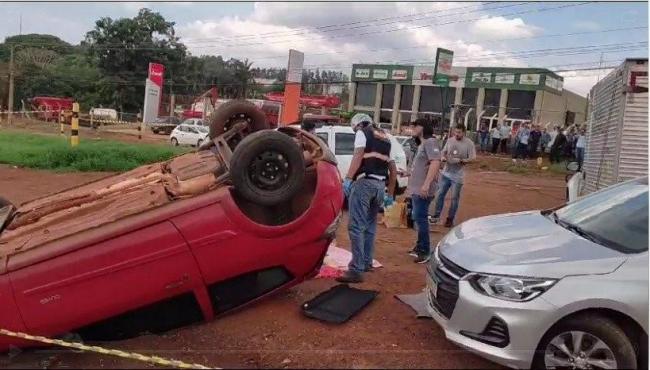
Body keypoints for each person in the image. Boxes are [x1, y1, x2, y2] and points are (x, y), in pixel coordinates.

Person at [338, 113, 397, 283]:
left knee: (356, 226)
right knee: (370, 226)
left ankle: (356, 269)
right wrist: (390, 195)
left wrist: (348, 179)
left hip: (364, 183)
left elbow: (358, 156)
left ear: (357, 125)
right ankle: (366, 262)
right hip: (380, 187)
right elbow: (392, 169)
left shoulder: (362, 132)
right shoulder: (385, 138)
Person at [406, 118, 441, 263]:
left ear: (424, 127)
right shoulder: (422, 144)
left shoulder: (430, 142)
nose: (413, 127)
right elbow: (422, 165)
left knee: (421, 219)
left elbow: (436, 162)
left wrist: (426, 184)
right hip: (417, 188)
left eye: (416, 125)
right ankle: (419, 247)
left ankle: (425, 250)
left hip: (423, 189)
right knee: (418, 217)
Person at [430, 124, 476, 228]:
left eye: (459, 132)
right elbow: (443, 152)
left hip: (458, 175)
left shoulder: (469, 143)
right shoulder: (450, 140)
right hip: (446, 172)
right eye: (455, 132)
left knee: (454, 198)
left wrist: (463, 160)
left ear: (464, 133)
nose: (456, 134)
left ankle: (450, 219)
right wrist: (442, 157)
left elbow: (473, 158)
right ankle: (436, 216)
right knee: (440, 194)